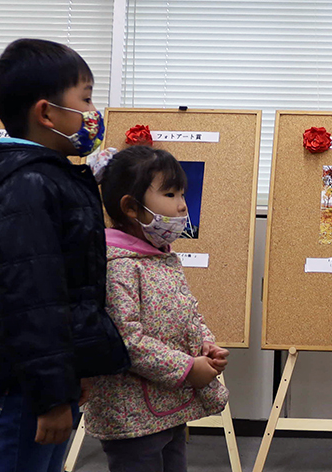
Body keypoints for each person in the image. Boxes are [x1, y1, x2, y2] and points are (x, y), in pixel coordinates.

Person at [0, 39, 130, 472]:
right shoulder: (25, 187)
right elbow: (33, 298)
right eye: (85, 99)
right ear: (46, 113)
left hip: (45, 374)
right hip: (24, 381)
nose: (94, 112)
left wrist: (76, 370)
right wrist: (51, 394)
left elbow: (72, 290)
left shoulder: (49, 178)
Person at [84, 145, 230, 472]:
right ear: (131, 207)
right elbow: (126, 341)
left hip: (168, 406)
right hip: (131, 414)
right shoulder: (117, 266)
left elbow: (187, 312)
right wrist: (188, 368)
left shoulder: (162, 256)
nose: (181, 205)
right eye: (170, 193)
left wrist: (205, 344)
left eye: (182, 193)